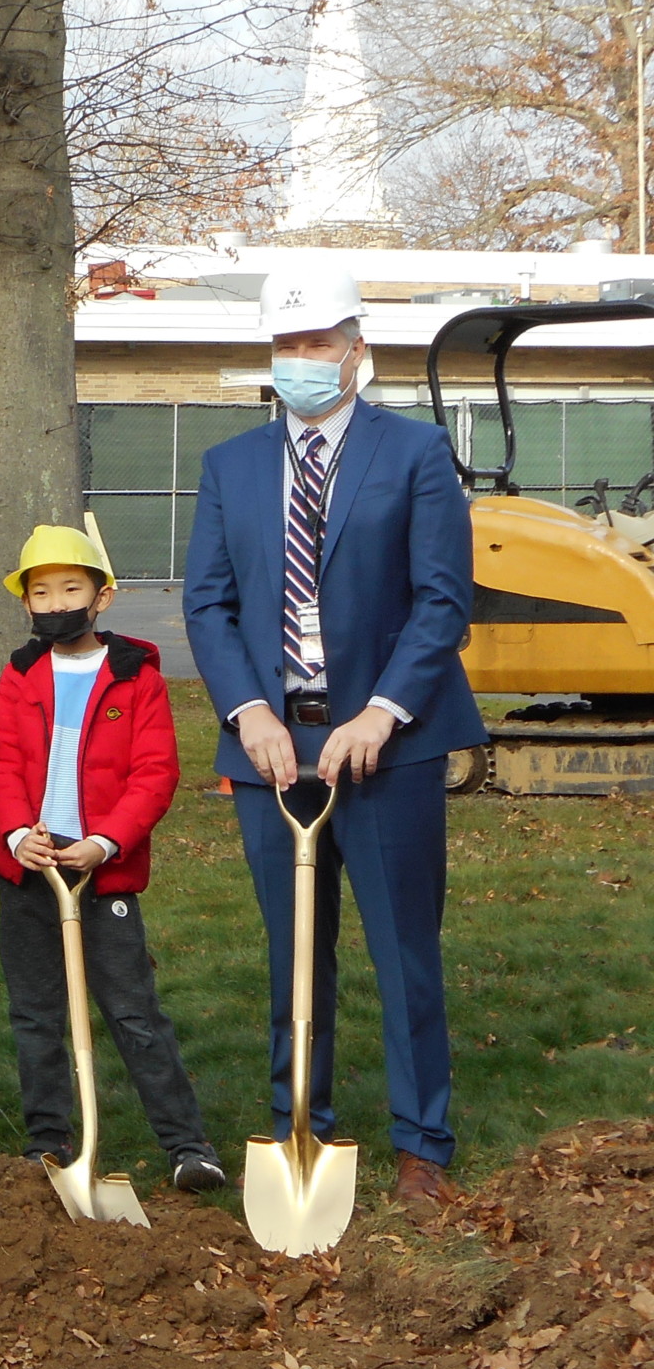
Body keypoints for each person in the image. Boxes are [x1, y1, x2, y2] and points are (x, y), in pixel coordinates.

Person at [184, 267, 487, 1207]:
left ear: (358, 352)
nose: (302, 362)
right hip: (275, 750)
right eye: (287, 346)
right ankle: (296, 1126)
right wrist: (250, 711)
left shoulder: (415, 454)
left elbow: (444, 601)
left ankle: (421, 1144)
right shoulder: (231, 465)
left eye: (318, 344)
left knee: (404, 952)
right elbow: (208, 602)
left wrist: (380, 712)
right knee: (295, 952)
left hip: (388, 746)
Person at [0, 527, 225, 1190]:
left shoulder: (135, 677)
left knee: (132, 1010)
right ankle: (47, 1141)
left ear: (102, 597)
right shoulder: (22, 672)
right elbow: (0, 762)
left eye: (70, 588)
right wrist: (12, 836)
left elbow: (154, 773)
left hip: (102, 868)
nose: (54, 601)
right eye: (40, 591)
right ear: (26, 603)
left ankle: (187, 1146)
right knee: (37, 1013)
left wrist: (105, 841)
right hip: (30, 868)